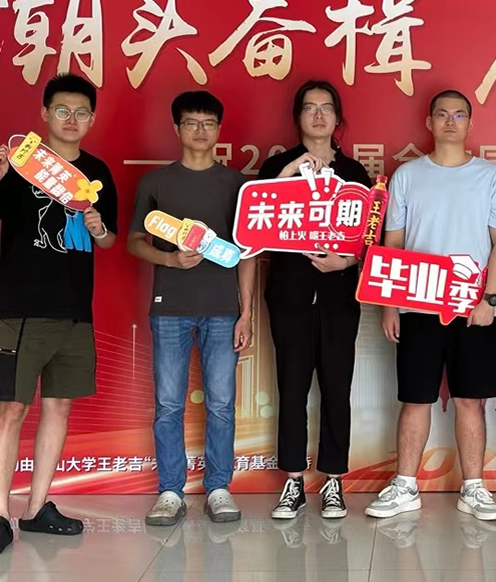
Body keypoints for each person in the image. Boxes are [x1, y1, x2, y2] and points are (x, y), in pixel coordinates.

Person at [365, 90, 496, 522]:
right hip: (417, 306)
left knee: (470, 400)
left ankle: (474, 487)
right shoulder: (408, 175)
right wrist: (389, 305)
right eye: (443, 115)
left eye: (459, 115)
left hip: (472, 309)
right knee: (415, 399)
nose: (451, 121)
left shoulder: (489, 177)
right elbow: (393, 243)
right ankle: (405, 486)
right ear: (428, 123)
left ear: (470, 124)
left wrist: (490, 299)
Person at [0, 73, 118, 552]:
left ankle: (36, 509)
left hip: (74, 311)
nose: (72, 119)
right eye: (63, 111)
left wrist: (98, 227)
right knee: (10, 409)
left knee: (59, 405)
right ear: (45, 114)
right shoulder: (20, 165)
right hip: (20, 307)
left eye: (81, 112)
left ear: (92, 119)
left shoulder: (97, 172)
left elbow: (108, 240)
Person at [128, 91, 254, 526]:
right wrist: (170, 261)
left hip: (222, 308)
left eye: (208, 123)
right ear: (176, 128)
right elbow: (134, 242)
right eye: (191, 122)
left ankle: (218, 488)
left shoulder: (238, 185)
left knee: (221, 403)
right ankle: (170, 492)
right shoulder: (156, 183)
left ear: (219, 129)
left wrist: (246, 312)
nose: (200, 130)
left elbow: (249, 254)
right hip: (170, 309)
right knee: (168, 403)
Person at [257, 80, 371, 521]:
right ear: (298, 117)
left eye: (326, 108)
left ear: (337, 118)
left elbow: (369, 236)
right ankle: (293, 480)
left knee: (337, 387)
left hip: (340, 295)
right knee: (292, 387)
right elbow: (256, 222)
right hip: (289, 294)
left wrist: (346, 262)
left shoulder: (354, 173)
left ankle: (334, 479)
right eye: (310, 108)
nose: (319, 115)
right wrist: (289, 174)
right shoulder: (276, 166)